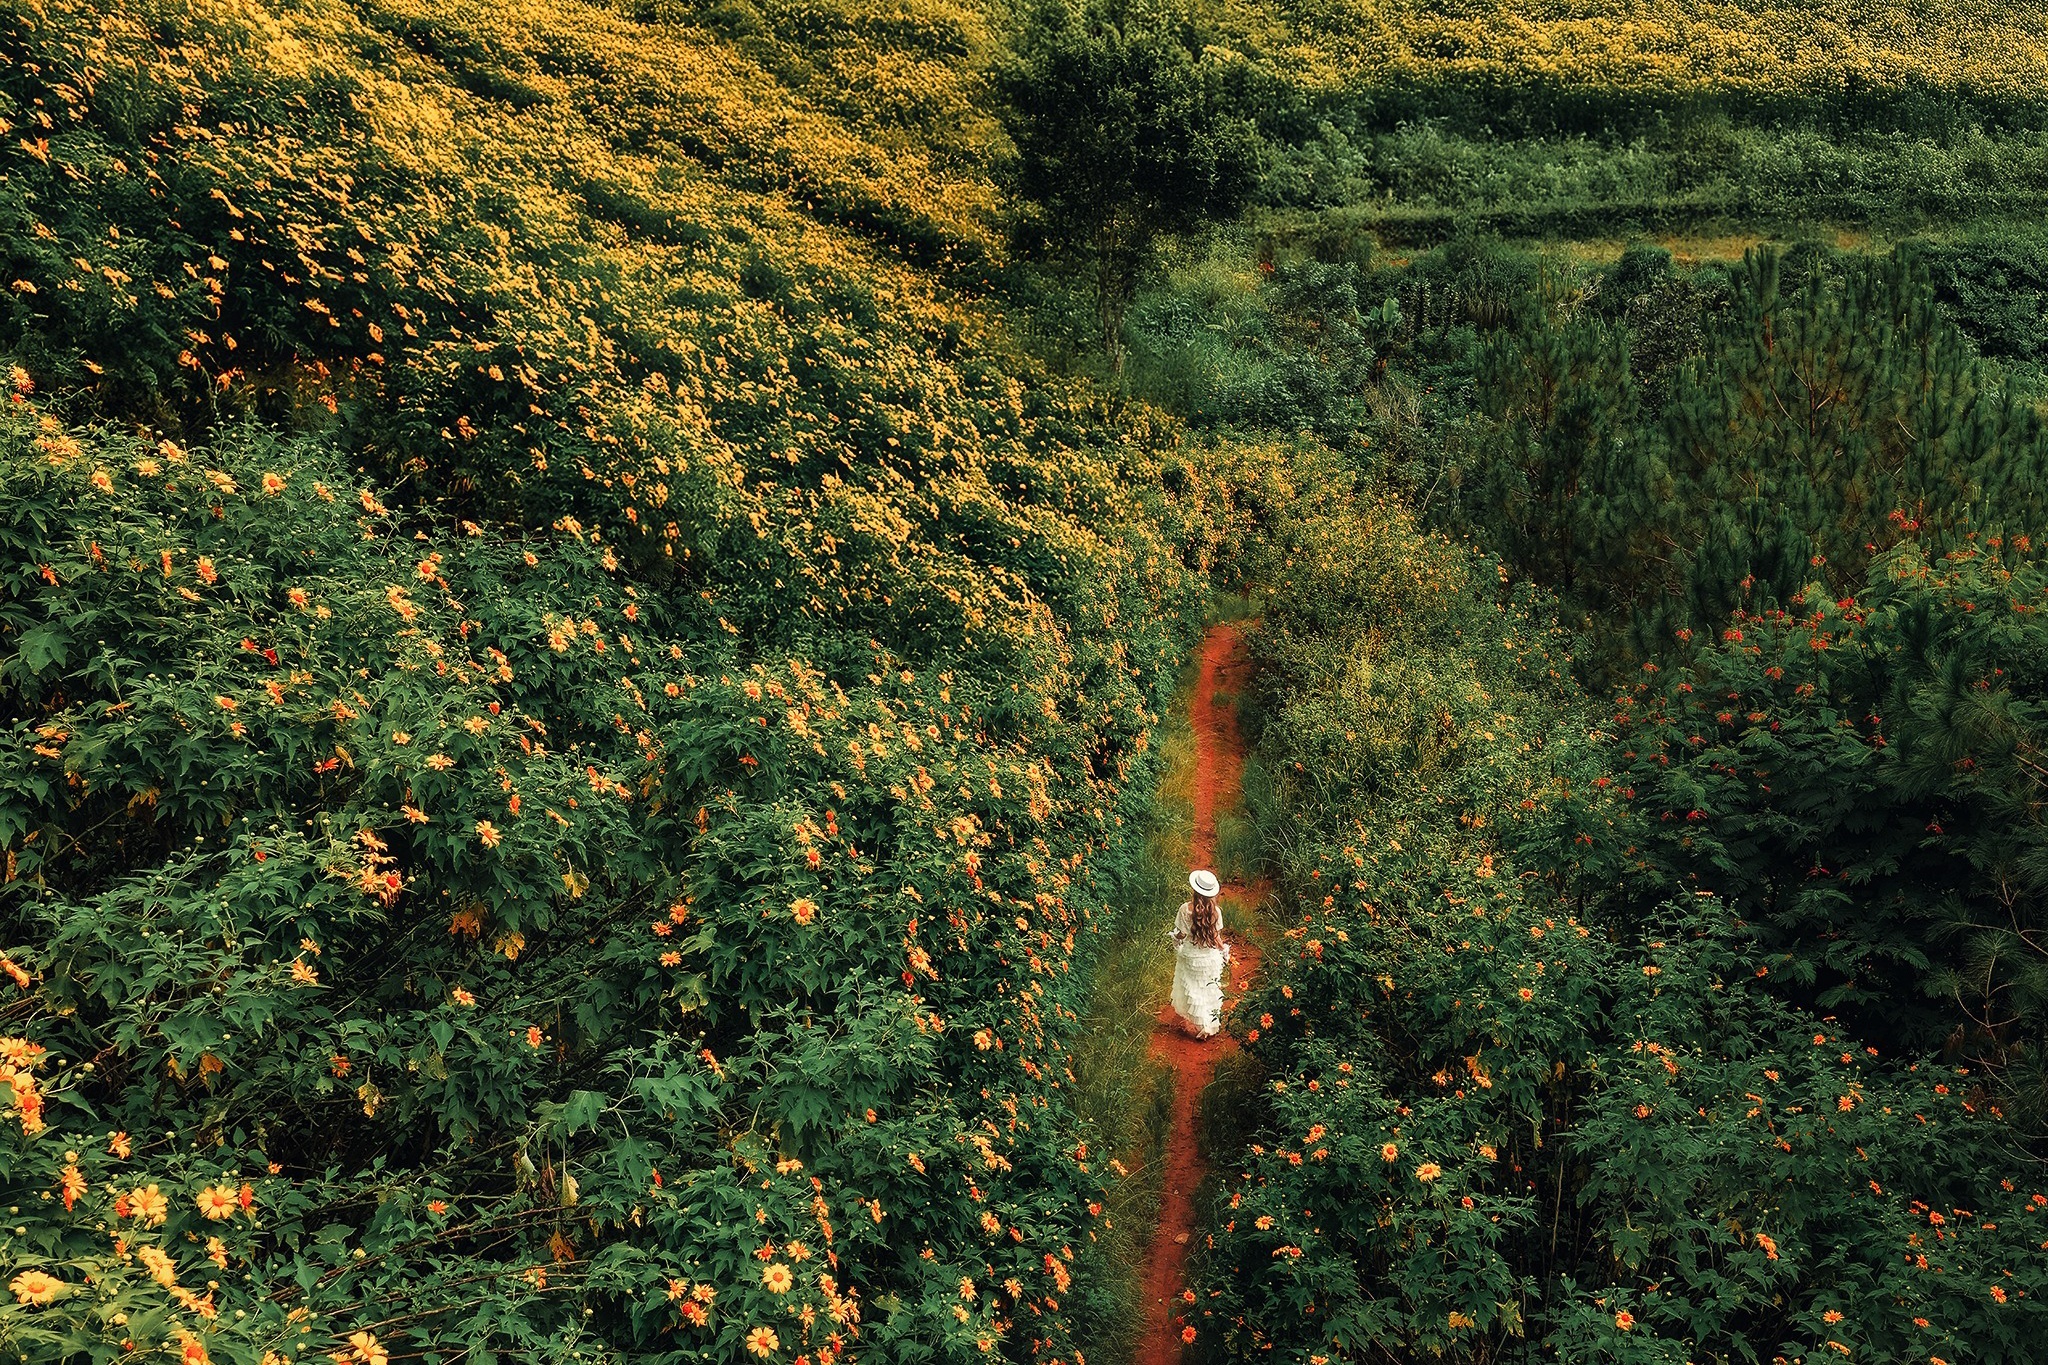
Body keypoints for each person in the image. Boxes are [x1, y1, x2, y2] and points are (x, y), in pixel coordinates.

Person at [1169, 869, 1231, 1039]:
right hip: (1209, 959)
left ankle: (1202, 1024)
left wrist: (1175, 937)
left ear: (1194, 889)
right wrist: (1224, 950)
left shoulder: (1185, 909)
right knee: (1207, 990)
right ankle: (1208, 1023)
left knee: (1194, 991)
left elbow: (1181, 935)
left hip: (1191, 957)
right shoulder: (1216, 912)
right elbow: (1216, 938)